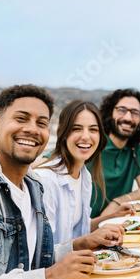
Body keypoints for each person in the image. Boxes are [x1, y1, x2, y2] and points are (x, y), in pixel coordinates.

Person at [0, 85, 125, 279]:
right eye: (22, 118)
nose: (32, 129)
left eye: (41, 123)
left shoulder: (33, 185)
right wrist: (47, 278)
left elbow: (29, 260)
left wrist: (78, 244)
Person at [35, 100, 134, 244]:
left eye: (93, 129)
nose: (86, 136)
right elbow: (42, 250)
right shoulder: (46, 181)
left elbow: (78, 228)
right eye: (77, 128)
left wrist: (113, 216)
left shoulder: (83, 174)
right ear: (63, 134)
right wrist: (87, 241)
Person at [91, 88, 140, 218]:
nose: (128, 118)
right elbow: (51, 161)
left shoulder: (134, 148)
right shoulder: (92, 142)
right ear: (110, 112)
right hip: (82, 231)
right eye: (122, 110)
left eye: (135, 113)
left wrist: (119, 201)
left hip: (113, 228)